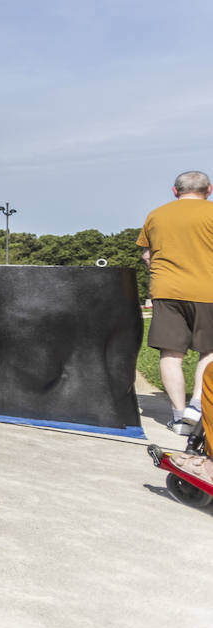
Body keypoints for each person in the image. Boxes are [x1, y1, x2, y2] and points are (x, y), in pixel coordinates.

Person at [136, 171, 213, 435]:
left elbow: (147, 255)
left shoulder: (156, 215)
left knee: (170, 354)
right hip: (208, 291)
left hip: (166, 290)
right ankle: (197, 406)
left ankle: (180, 418)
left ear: (175, 190)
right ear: (209, 190)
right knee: (210, 351)